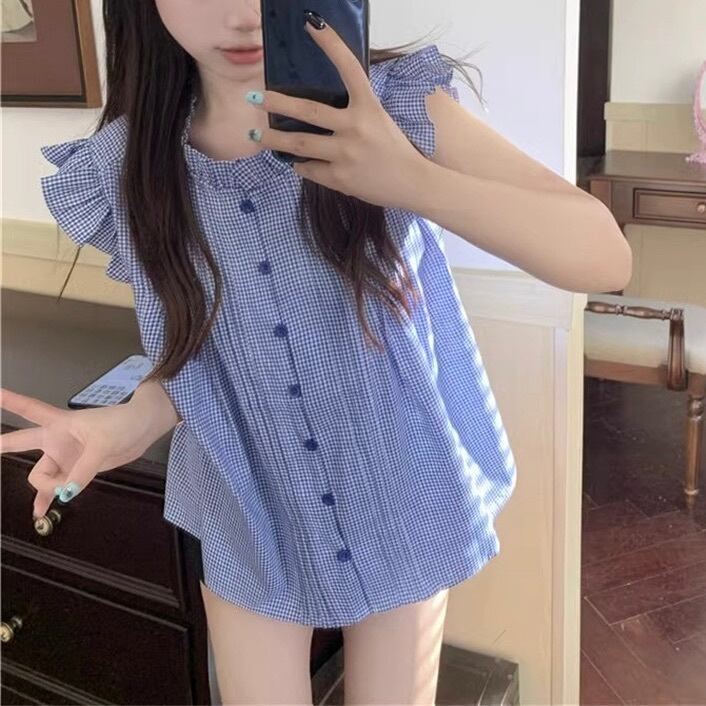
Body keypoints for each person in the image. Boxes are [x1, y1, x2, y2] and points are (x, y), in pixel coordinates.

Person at [0, 1, 632, 704]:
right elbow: (201, 355)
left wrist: (409, 177)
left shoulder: (393, 105)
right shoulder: (129, 167)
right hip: (246, 507)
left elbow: (604, 257)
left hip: (398, 485)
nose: (243, 15)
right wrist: (131, 419)